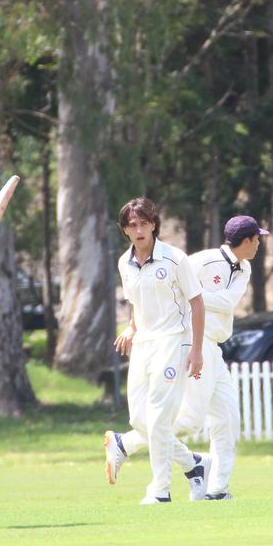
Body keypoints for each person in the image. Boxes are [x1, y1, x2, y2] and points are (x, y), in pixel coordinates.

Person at [106, 215, 268, 501]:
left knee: (228, 419)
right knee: (190, 421)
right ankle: (129, 444)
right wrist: (134, 326)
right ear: (246, 240)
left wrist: (196, 295)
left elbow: (226, 302)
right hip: (193, 339)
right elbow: (159, 290)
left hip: (215, 345)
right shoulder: (202, 261)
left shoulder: (245, 269)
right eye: (257, 239)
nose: (259, 244)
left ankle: (217, 490)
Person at [104, 198, 204, 504]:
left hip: (173, 340)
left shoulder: (175, 259)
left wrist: (197, 351)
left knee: (159, 417)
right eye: (132, 225)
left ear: (153, 224)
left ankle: (160, 489)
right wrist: (132, 329)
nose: (138, 229)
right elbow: (137, 303)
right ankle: (194, 464)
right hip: (144, 344)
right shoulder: (124, 262)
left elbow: (197, 303)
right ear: (125, 230)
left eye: (143, 223)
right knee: (140, 419)